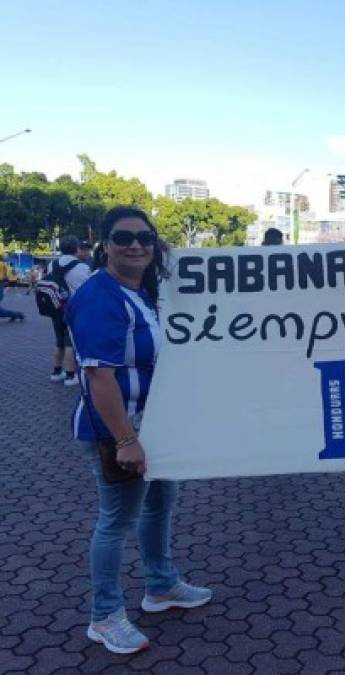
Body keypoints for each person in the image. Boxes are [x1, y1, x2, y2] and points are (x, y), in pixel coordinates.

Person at [66, 206, 211, 655]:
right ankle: (105, 617)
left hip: (157, 423)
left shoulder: (138, 290)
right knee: (117, 520)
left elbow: (161, 260)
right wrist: (127, 439)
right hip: (119, 429)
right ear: (102, 245)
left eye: (145, 239)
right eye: (123, 237)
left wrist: (159, 248)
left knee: (160, 505)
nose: (135, 245)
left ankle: (161, 586)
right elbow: (99, 377)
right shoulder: (99, 297)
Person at [47, 236, 91, 386]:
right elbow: (88, 289)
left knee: (59, 341)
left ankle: (56, 372)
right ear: (77, 249)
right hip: (73, 309)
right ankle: (71, 376)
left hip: (56, 307)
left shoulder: (52, 264)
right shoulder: (82, 267)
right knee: (70, 343)